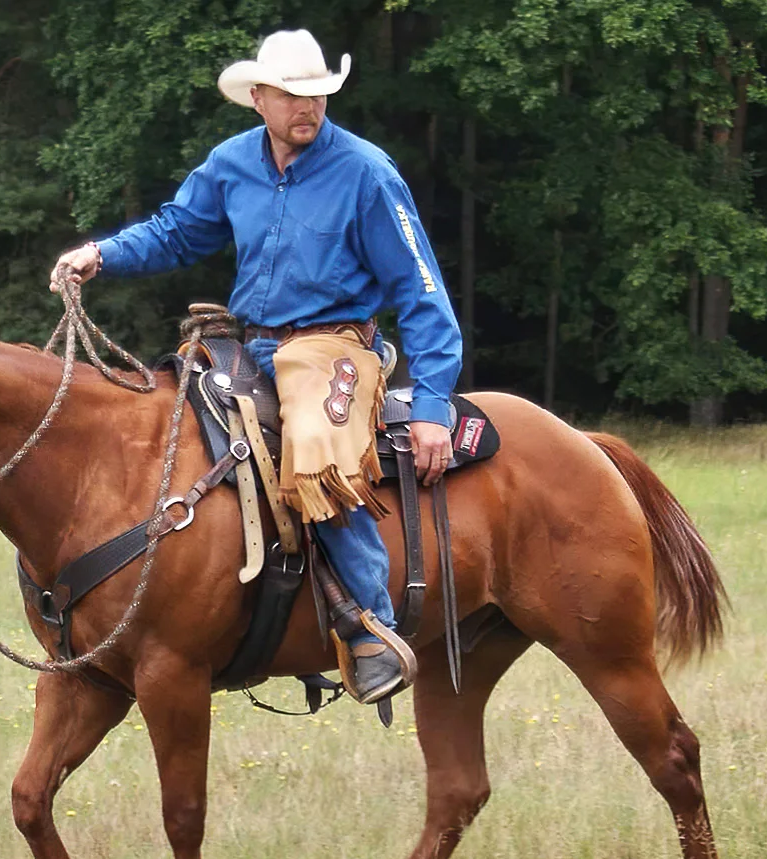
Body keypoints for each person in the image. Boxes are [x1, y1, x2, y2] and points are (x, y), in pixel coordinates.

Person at [48, 28, 463, 708]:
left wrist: (433, 407)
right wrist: (103, 253)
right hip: (246, 344)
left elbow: (421, 291)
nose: (308, 107)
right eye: (293, 96)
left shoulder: (367, 173)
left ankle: (370, 628)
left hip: (333, 346)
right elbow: (177, 230)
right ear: (259, 98)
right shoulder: (232, 163)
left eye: (318, 95)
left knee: (317, 453)